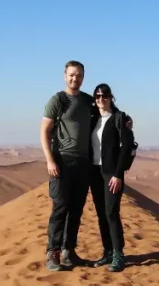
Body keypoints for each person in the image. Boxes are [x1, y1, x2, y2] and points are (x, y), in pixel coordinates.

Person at [40, 60, 94, 271]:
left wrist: (125, 121)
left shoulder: (88, 101)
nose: (75, 78)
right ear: (65, 75)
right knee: (60, 208)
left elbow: (109, 111)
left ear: (83, 77)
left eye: (79, 75)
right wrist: (50, 160)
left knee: (76, 210)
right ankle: (52, 254)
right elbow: (44, 130)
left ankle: (68, 251)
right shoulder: (58, 100)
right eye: (72, 75)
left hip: (83, 163)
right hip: (62, 160)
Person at [87, 83, 133, 272]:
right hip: (94, 172)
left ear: (110, 97)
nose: (100, 99)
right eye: (97, 96)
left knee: (111, 212)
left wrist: (118, 174)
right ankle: (107, 252)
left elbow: (127, 146)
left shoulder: (119, 118)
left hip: (111, 173)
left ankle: (118, 254)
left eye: (104, 96)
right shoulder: (93, 118)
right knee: (101, 214)